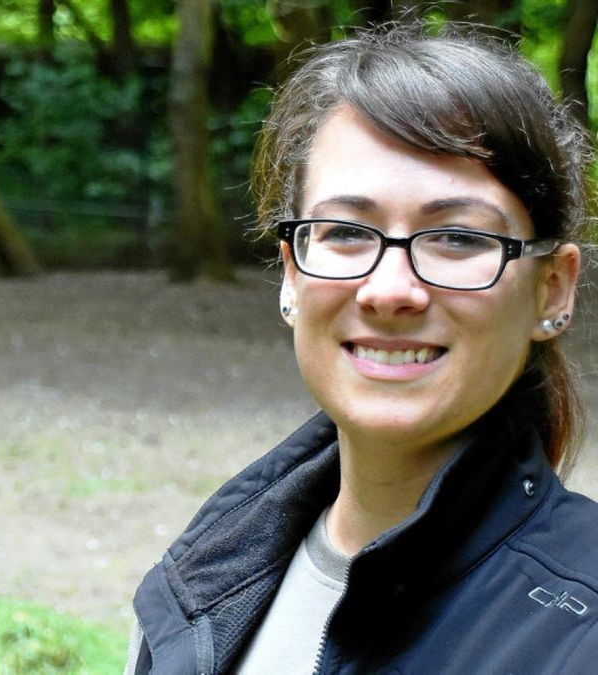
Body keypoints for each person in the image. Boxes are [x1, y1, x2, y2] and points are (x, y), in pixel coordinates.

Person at [127, 22, 598, 674]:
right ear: (292, 272)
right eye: (347, 231)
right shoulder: (207, 572)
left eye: (458, 238)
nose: (389, 290)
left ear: (551, 289)